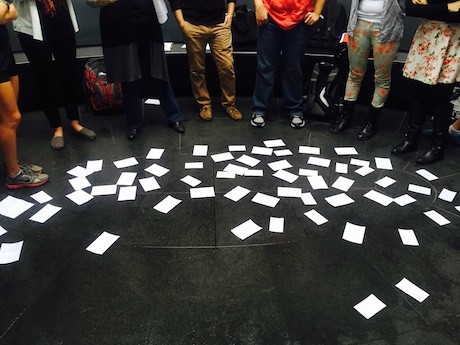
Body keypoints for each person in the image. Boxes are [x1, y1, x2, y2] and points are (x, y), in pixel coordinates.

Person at [87, 0, 185, 140]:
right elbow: (89, 1)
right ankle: (133, 123)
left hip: (147, 19)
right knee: (129, 77)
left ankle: (175, 117)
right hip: (120, 24)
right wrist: (98, 1)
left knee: (159, 73)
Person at [12, 0, 96, 150]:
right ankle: (56, 126)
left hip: (61, 16)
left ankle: (74, 121)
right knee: (44, 77)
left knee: (69, 72)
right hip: (33, 26)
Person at [391, 0, 460, 164]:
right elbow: (411, 8)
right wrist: (447, 7)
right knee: (417, 91)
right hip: (427, 36)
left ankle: (437, 147)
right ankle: (412, 139)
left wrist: (430, 7)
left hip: (451, 40)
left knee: (442, 95)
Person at [330, 0, 406, 140]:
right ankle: (345, 117)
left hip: (387, 26)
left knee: (382, 78)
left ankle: (372, 122)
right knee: (354, 73)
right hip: (358, 22)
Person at [251, 0, 326, 129]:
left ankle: (295, 109)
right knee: (265, 67)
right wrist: (259, 5)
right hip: (270, 15)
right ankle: (260, 109)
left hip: (299, 18)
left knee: (294, 67)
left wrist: (317, 12)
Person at [1, 1, 48, 189]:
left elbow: (12, 14)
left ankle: (12, 164)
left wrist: (7, 10)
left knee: (9, 119)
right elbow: (4, 13)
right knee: (12, 118)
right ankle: (13, 174)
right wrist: (6, 5)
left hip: (4, 51)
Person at [170, 0, 242, 122]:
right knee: (197, 70)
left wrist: (230, 15)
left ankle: (229, 104)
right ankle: (204, 105)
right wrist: (182, 23)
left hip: (220, 24)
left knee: (227, 66)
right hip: (193, 24)